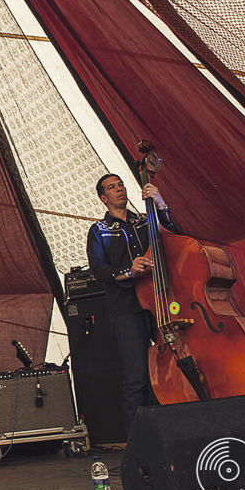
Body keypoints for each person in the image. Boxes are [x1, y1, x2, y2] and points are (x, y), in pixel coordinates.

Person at [86, 174, 175, 437]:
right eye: (112, 188)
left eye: (121, 184)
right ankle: (140, 443)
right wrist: (129, 270)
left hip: (159, 301)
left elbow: (173, 233)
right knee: (137, 377)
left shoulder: (145, 219)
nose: (119, 189)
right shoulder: (99, 230)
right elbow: (98, 269)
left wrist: (160, 203)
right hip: (126, 308)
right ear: (104, 198)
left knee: (174, 368)